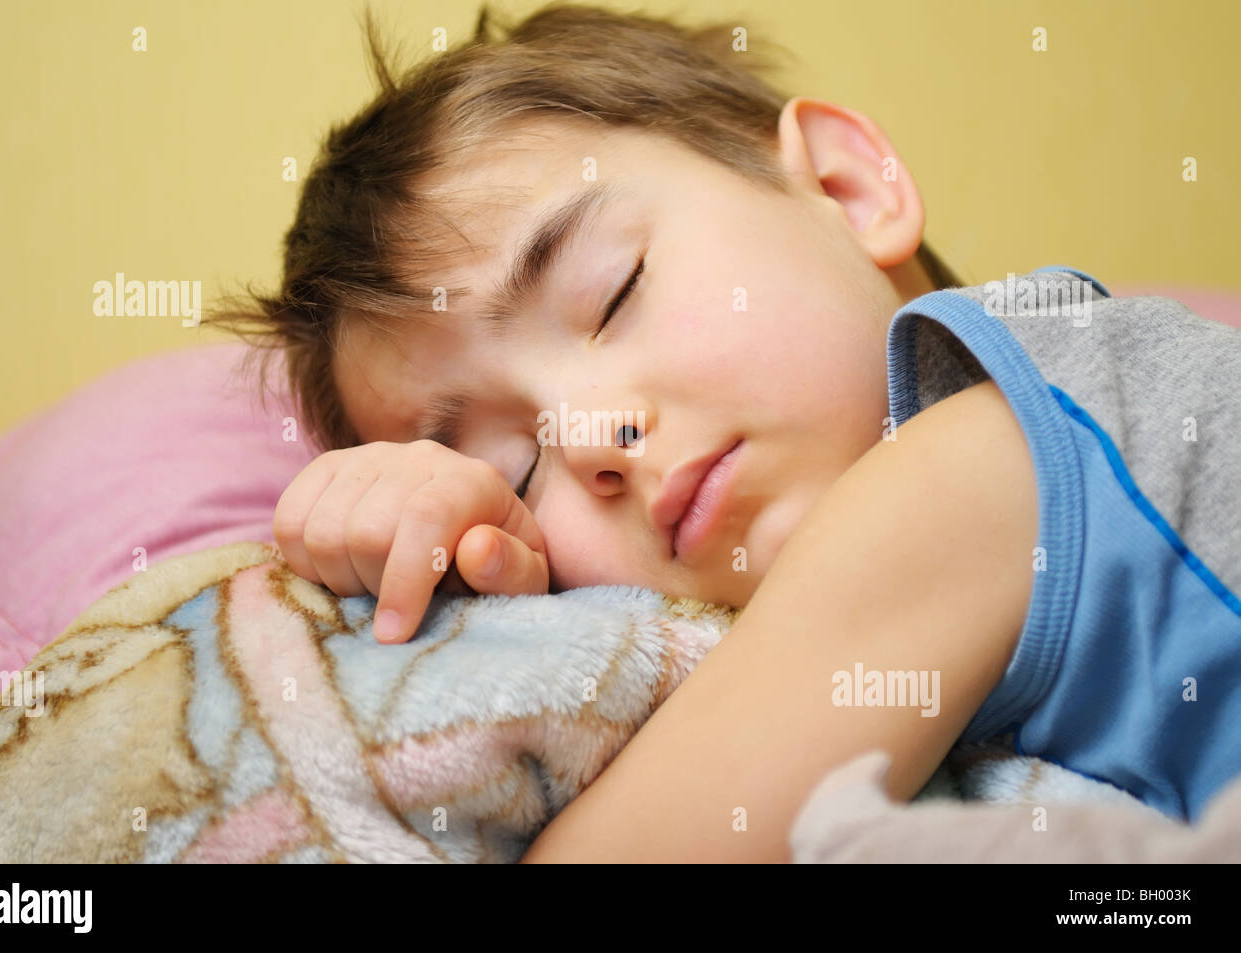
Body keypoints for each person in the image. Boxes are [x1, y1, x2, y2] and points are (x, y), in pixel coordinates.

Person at [205, 3, 1241, 861]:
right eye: (515, 471)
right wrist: (455, 576)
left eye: (613, 294)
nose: (594, 438)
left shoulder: (982, 453)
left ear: (846, 188)